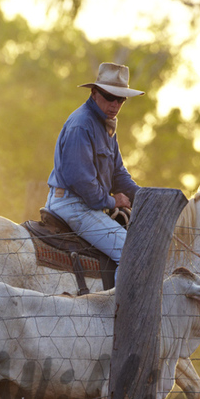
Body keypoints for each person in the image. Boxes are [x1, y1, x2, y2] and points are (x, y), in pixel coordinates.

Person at [44, 62, 145, 264]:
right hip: (74, 205)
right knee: (131, 253)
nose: (115, 105)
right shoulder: (82, 125)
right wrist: (112, 201)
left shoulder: (106, 127)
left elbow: (118, 175)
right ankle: (120, 298)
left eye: (120, 99)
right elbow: (81, 180)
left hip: (85, 205)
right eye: (109, 97)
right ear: (94, 93)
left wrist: (146, 200)